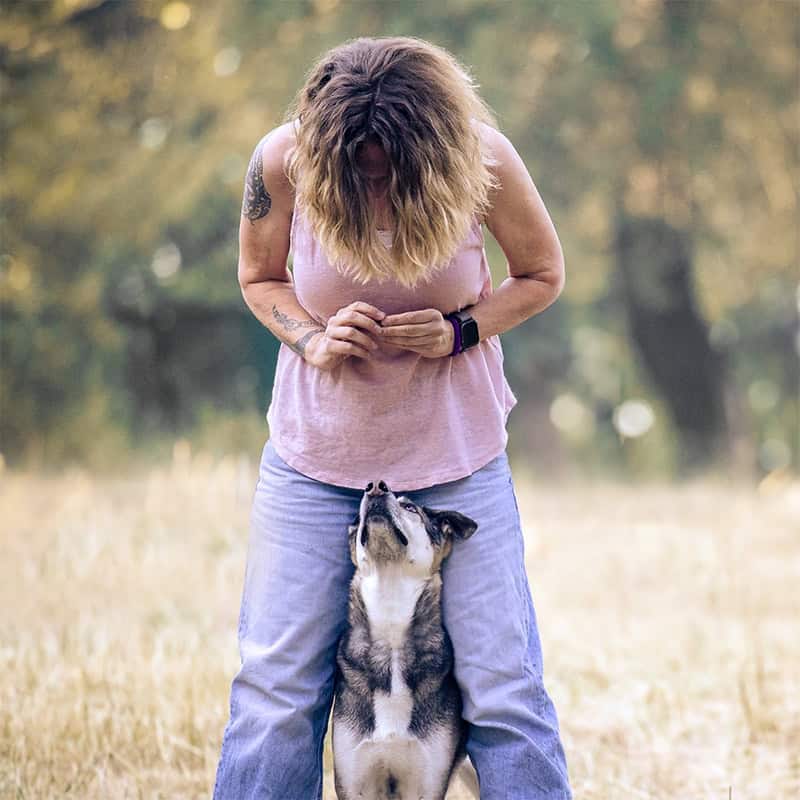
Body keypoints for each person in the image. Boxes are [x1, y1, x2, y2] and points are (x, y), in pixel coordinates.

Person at [213, 35, 572, 800]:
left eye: (387, 161)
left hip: (456, 465)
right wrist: (311, 337)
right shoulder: (283, 160)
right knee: (275, 693)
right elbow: (259, 276)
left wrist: (460, 329)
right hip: (314, 467)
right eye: (357, 163)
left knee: (505, 691)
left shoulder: (485, 160)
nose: (372, 176)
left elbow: (542, 274)